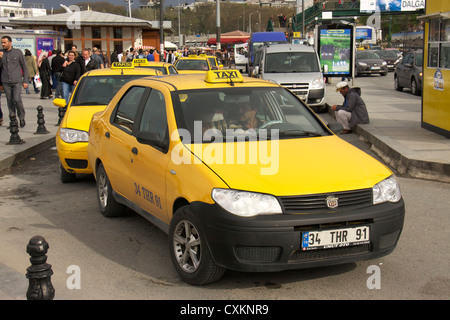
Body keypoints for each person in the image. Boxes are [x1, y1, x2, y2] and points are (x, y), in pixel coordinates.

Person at [0, 35, 29, 128]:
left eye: (4, 42)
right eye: (2, 43)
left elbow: (24, 67)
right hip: (5, 81)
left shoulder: (18, 52)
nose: (3, 44)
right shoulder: (1, 53)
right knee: (10, 101)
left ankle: (21, 117)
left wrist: (25, 80)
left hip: (17, 80)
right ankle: (13, 120)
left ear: (10, 43)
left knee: (17, 99)